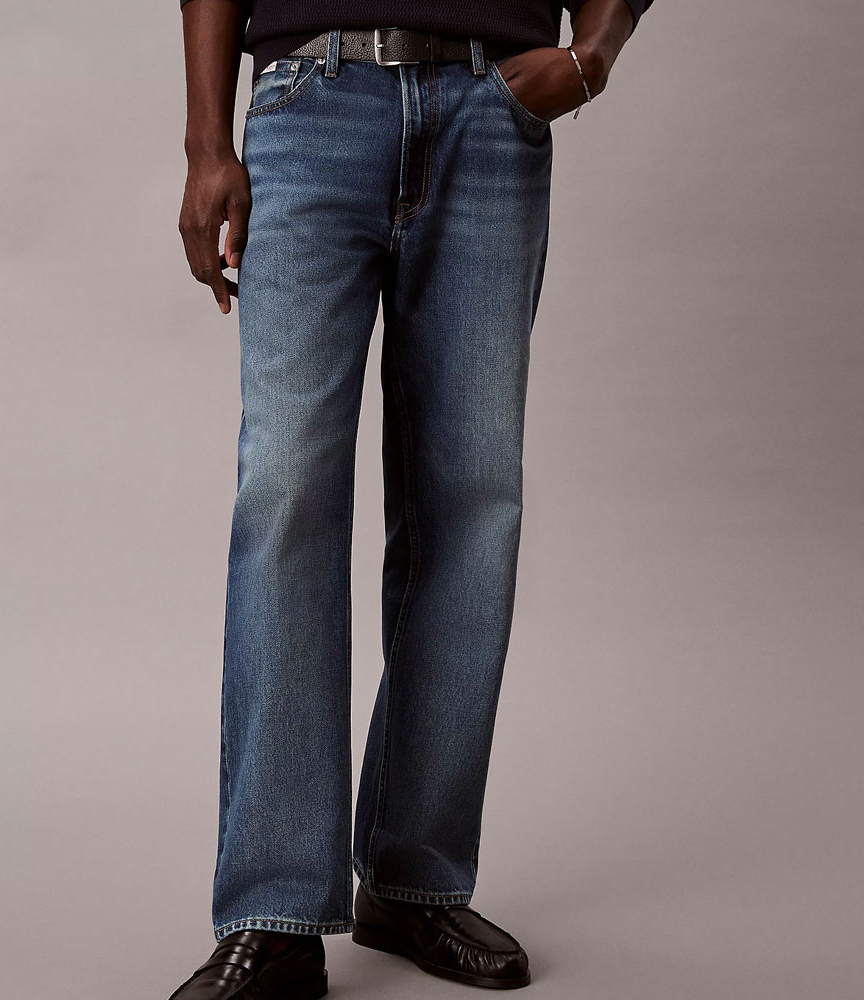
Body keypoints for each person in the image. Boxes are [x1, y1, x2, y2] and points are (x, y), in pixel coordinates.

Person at [168, 1, 653, 997]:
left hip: (491, 110)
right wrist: (206, 143)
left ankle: (413, 879)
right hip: (311, 102)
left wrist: (591, 58)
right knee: (287, 490)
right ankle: (275, 909)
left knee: (469, 498)